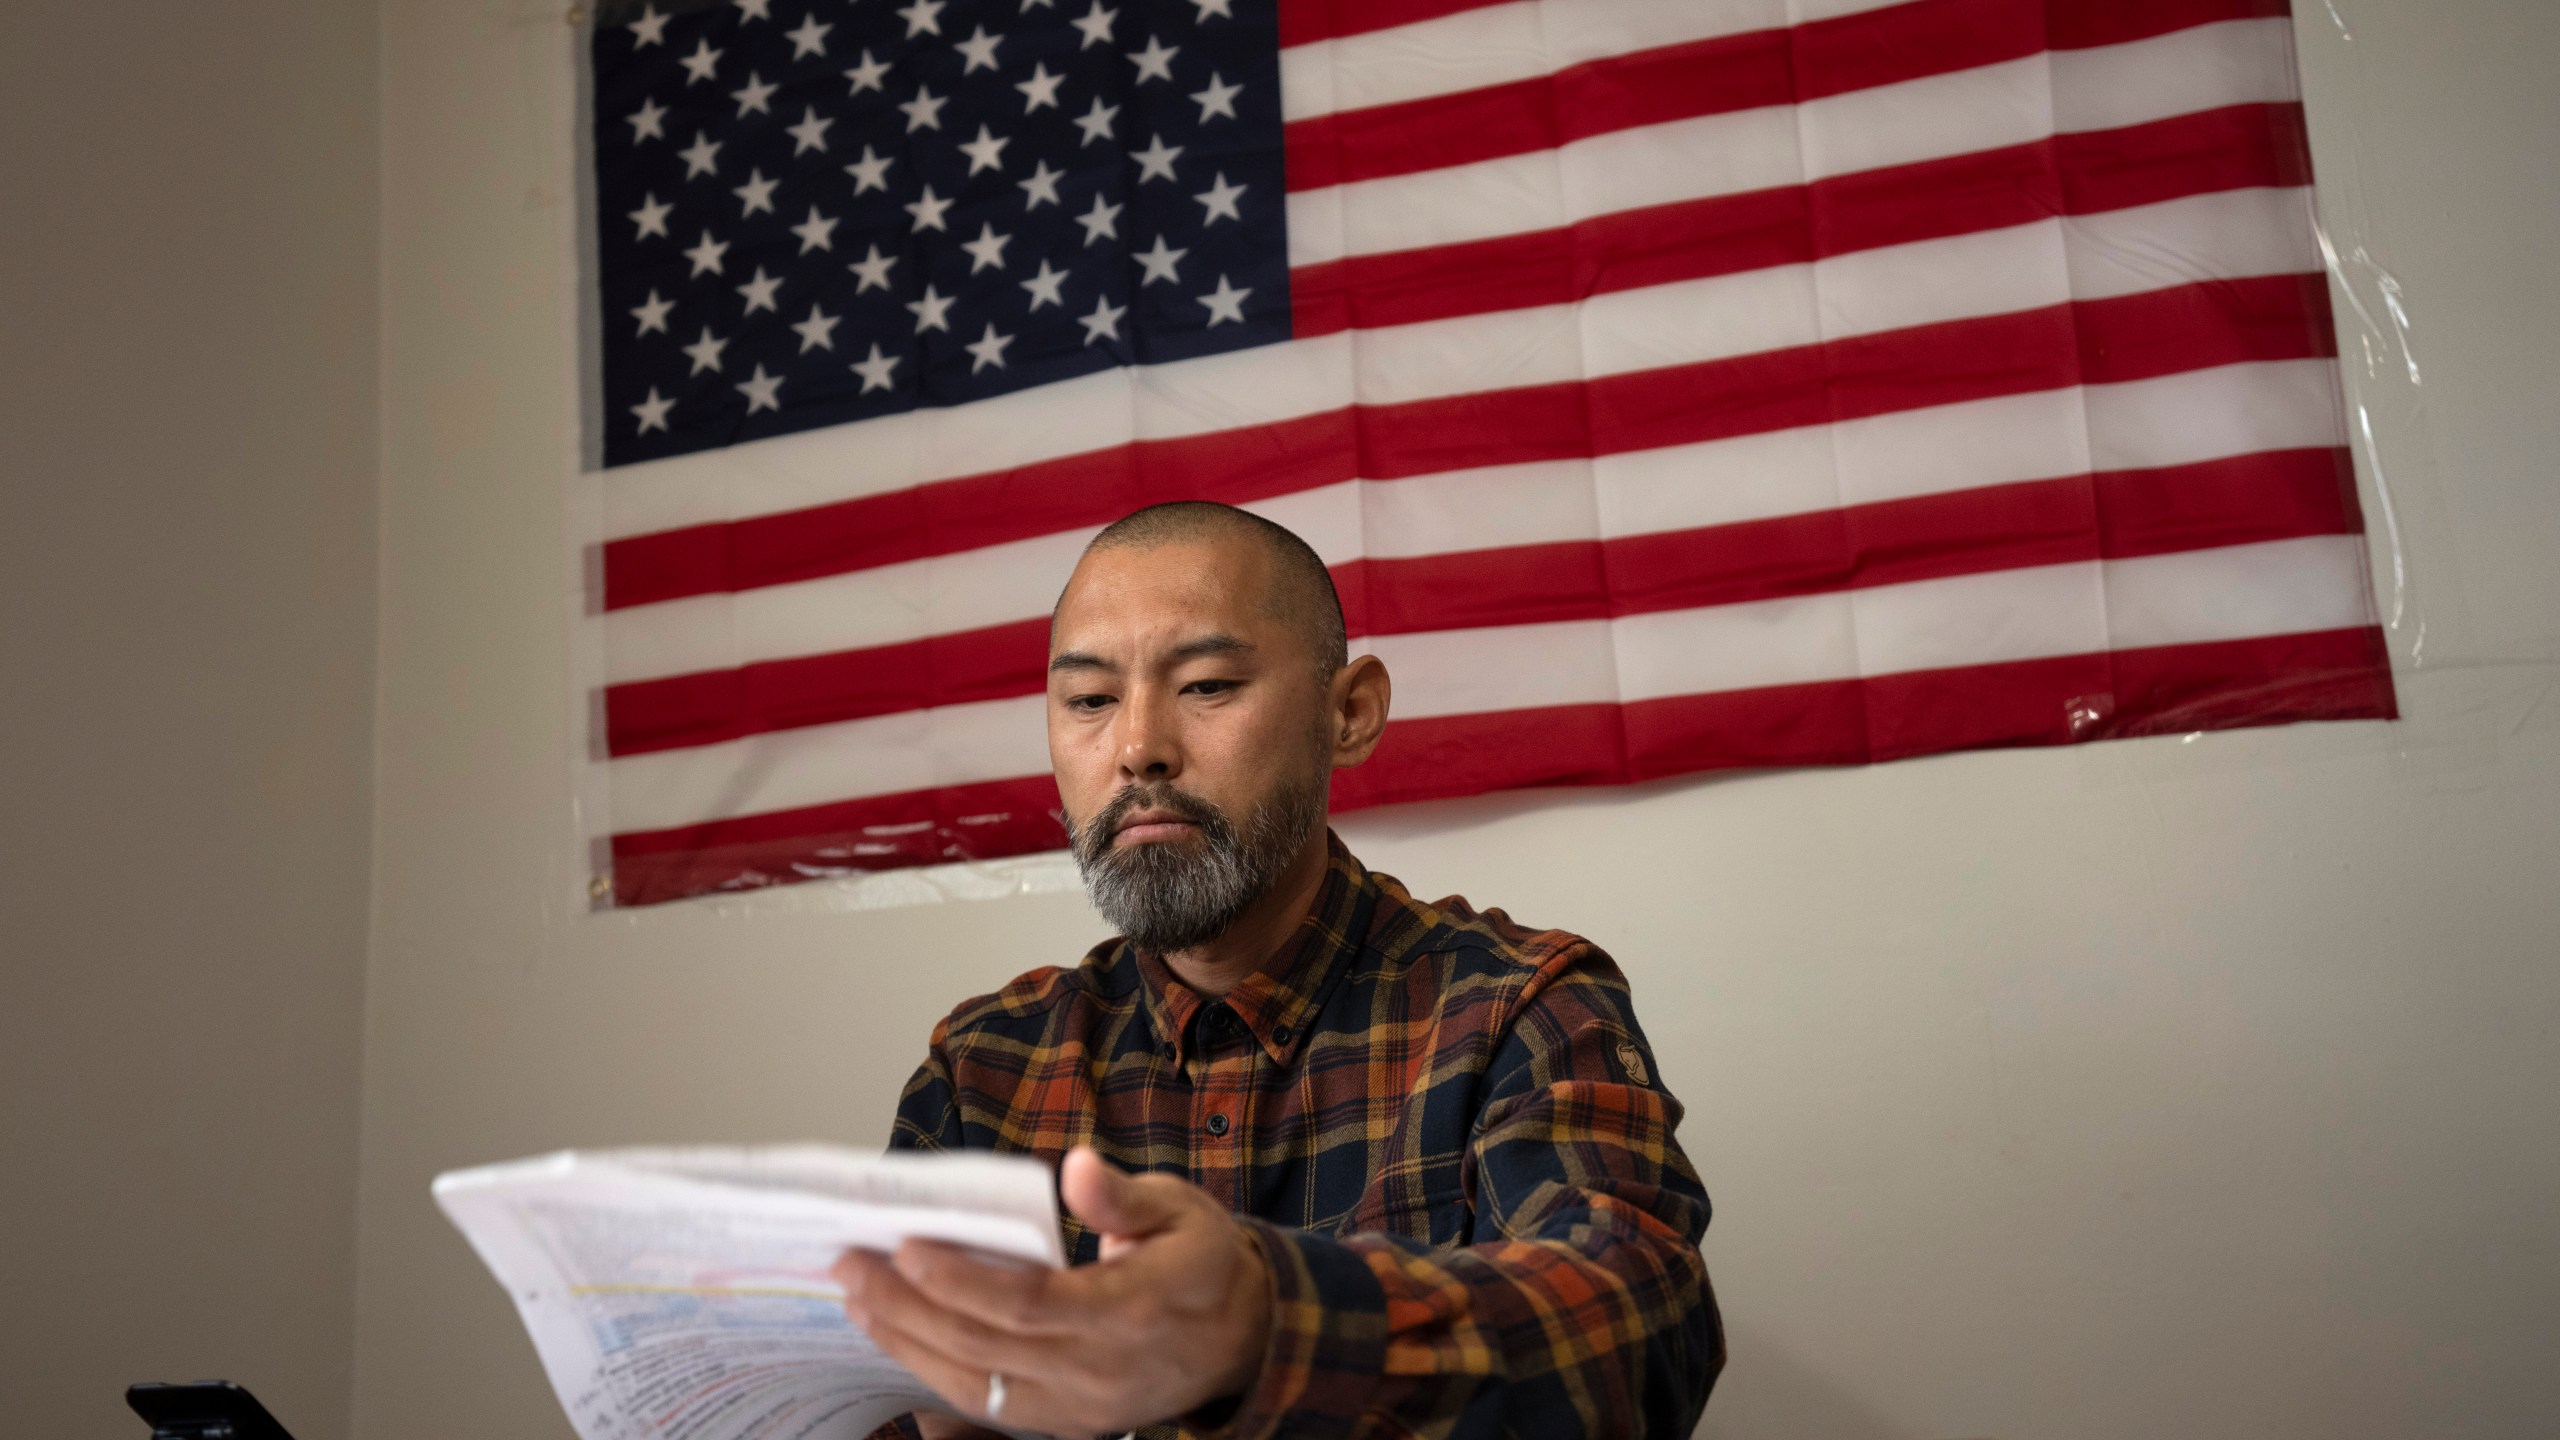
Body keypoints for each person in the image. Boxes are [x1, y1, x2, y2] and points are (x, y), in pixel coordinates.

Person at [834, 502, 1723, 1439]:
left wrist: (1262, 1323)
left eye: (1208, 684)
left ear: (1350, 713)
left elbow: (1641, 1333)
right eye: (1090, 701)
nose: (1137, 747)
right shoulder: (984, 1073)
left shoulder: (1520, 1006)